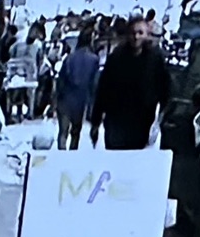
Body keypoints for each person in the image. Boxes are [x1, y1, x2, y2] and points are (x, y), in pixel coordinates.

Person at [90, 13, 174, 150]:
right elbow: (103, 90)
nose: (136, 37)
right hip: (117, 123)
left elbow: (165, 88)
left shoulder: (155, 59)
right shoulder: (116, 58)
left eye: (140, 33)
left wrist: (163, 115)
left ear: (147, 34)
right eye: (133, 33)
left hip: (142, 123)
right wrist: (96, 121)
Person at [55, 29, 101, 149]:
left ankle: (61, 154)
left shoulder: (69, 58)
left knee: (63, 132)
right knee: (75, 132)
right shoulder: (94, 60)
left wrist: (56, 97)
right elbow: (94, 83)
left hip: (66, 98)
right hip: (81, 100)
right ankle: (72, 153)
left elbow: (61, 79)